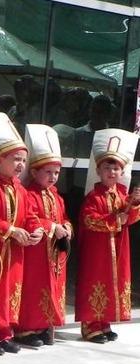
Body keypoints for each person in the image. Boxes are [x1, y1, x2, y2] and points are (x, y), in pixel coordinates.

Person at [0, 113, 44, 356]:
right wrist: (11, 230)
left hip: (16, 252)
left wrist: (37, 230)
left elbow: (31, 215)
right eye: (15, 159)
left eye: (23, 160)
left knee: (11, 291)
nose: (20, 165)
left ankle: (4, 332)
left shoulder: (21, 190)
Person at [75, 129, 140, 343]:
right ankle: (90, 326)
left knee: (114, 283)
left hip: (118, 249)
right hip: (98, 250)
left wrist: (135, 204)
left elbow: (129, 217)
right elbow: (89, 219)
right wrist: (114, 221)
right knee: (96, 282)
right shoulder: (93, 197)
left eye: (116, 168)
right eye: (107, 168)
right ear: (99, 170)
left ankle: (105, 322)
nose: (112, 172)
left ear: (122, 172)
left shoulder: (122, 195)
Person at [15, 125, 71, 347]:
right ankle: (26, 329)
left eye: (56, 173)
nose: (53, 177)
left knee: (52, 288)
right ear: (35, 172)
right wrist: (51, 226)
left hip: (54, 253)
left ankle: (44, 325)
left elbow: (64, 216)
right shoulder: (29, 194)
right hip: (37, 252)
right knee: (35, 288)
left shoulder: (57, 196)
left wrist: (66, 225)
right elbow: (30, 218)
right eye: (48, 172)